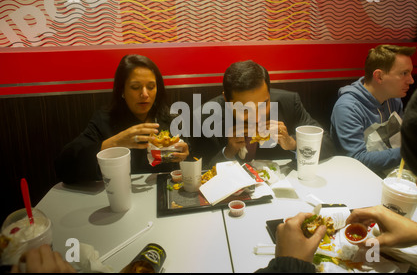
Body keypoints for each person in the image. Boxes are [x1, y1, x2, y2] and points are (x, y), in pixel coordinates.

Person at [257, 59, 417, 273]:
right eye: (404, 73)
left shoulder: (290, 101)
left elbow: (327, 144)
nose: (411, 80)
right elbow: (357, 156)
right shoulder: (351, 104)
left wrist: (289, 264)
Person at [55, 54, 189, 184]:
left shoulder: (170, 118)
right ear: (122, 90)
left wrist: (184, 156)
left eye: (151, 87)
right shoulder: (105, 120)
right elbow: (64, 167)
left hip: (163, 196)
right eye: (135, 87)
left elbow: (188, 162)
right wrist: (114, 142)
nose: (144, 94)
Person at [193, 60, 335, 168]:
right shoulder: (205, 117)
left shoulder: (289, 103)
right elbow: (197, 170)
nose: (256, 116)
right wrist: (228, 152)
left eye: (263, 105)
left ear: (269, 93)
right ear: (226, 100)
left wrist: (293, 144)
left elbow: (328, 146)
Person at [330, 44, 416, 175]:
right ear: (379, 76)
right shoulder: (348, 107)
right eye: (404, 73)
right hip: (355, 178)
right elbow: (357, 159)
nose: (411, 80)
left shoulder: (394, 99)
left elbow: (402, 139)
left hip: (391, 175)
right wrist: (409, 151)